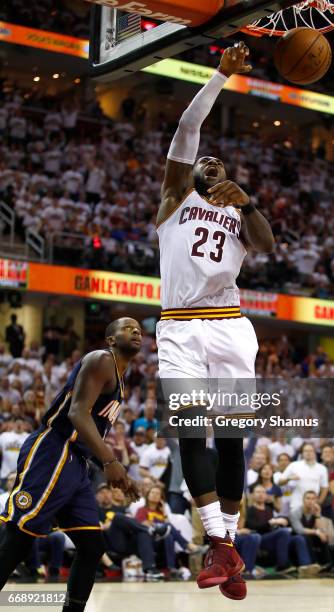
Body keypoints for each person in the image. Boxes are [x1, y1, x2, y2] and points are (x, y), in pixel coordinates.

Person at [156, 42, 273, 601]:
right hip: (179, 325)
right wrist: (220, 76)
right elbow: (186, 127)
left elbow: (268, 244)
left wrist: (247, 203)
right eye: (207, 162)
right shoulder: (175, 196)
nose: (212, 164)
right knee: (187, 430)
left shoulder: (235, 212)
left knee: (230, 441)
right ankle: (221, 543)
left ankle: (225, 548)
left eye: (220, 166)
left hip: (229, 322)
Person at [0, 318, 141, 612]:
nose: (137, 331)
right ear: (111, 339)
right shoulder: (102, 359)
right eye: (128, 328)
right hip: (55, 447)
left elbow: (92, 429)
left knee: (92, 547)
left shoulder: (120, 378)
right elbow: (78, 413)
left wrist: (117, 472)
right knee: (21, 531)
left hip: (77, 463)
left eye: (139, 329)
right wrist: (111, 461)